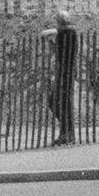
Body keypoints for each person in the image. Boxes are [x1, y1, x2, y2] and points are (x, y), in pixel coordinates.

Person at [41, 11, 78, 145]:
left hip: (66, 73)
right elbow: (56, 52)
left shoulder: (69, 31)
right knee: (58, 102)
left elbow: (44, 33)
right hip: (63, 72)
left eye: (57, 20)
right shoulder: (64, 34)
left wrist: (49, 31)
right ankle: (67, 131)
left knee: (58, 101)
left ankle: (67, 132)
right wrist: (52, 44)